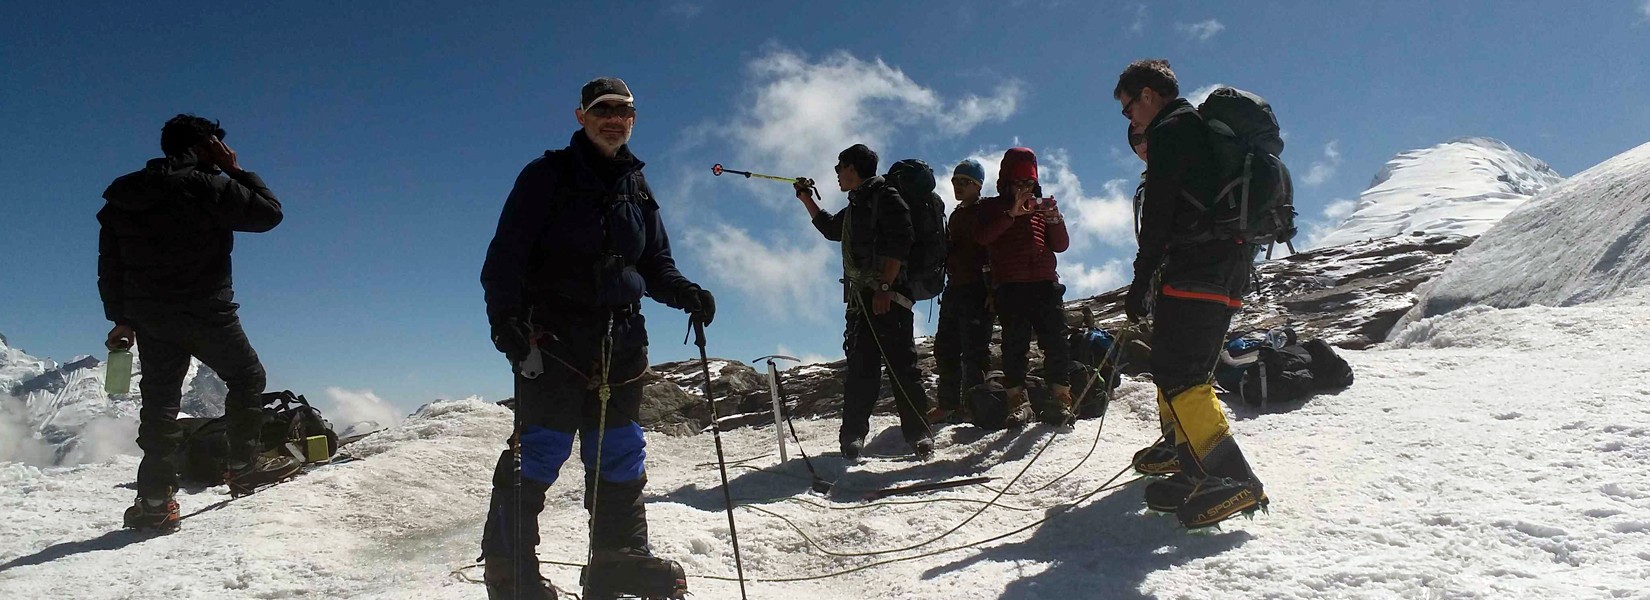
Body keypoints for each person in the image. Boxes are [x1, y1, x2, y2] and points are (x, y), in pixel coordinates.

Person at [479, 77, 714, 599]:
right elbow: (505, 256)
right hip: (554, 336)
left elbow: (655, 263)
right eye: (603, 109)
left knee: (619, 450)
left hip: (622, 337)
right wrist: (506, 319)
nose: (615, 118)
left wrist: (686, 293)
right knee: (540, 450)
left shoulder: (638, 186)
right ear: (580, 116)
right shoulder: (546, 176)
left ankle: (617, 558)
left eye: (625, 110)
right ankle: (509, 572)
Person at [99, 114, 296, 531]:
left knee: (160, 406)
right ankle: (243, 466)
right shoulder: (208, 185)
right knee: (246, 377)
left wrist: (121, 318)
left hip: (150, 316)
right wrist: (236, 170)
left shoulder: (126, 194)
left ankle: (154, 501)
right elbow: (269, 214)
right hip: (206, 310)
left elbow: (110, 263)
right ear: (207, 145)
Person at [1115, 58, 1268, 528]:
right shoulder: (1196, 128)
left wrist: (1141, 281)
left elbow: (1160, 213)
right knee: (1179, 369)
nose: (1129, 120)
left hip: (1197, 267)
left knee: (1181, 374)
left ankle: (1234, 478)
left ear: (1148, 95)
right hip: (1223, 269)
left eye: (1128, 108)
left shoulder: (1172, 129)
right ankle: (1194, 469)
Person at [793, 144, 933, 460]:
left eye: (839, 167)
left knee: (900, 368)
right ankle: (854, 438)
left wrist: (884, 285)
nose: (836, 174)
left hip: (888, 297)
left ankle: (919, 436)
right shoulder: (858, 205)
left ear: (853, 169)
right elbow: (832, 229)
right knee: (862, 370)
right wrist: (806, 198)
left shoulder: (885, 196)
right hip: (863, 302)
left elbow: (902, 239)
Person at [974, 147, 1074, 424]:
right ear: (1006, 182)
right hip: (1011, 285)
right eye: (1018, 183)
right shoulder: (991, 207)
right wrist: (1010, 215)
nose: (1024, 188)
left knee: (1056, 341)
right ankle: (1017, 400)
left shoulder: (1041, 207)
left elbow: (1061, 245)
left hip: (1044, 282)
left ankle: (1061, 397)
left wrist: (1054, 219)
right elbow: (982, 237)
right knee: (1014, 344)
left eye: (1028, 183)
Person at [928, 159, 994, 423]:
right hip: (954, 287)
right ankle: (949, 404)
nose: (958, 186)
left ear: (978, 185)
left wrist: (993, 291)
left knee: (974, 350)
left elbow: (992, 252)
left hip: (978, 288)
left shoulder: (985, 212)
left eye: (965, 182)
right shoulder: (955, 215)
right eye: (955, 182)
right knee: (945, 347)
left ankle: (972, 405)